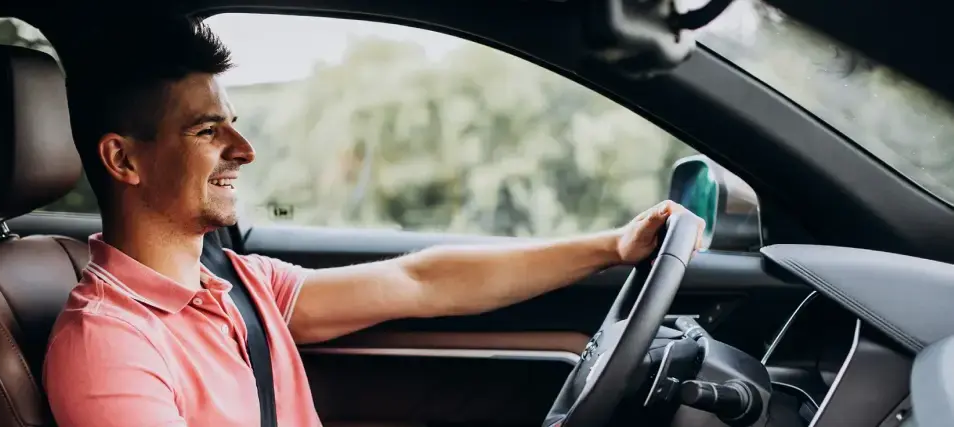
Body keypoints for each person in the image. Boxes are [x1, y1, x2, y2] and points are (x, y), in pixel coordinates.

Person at [42, 16, 705, 427]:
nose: (244, 151)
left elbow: (422, 281)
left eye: (235, 127)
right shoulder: (109, 344)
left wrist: (613, 245)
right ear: (122, 159)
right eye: (209, 132)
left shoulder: (237, 284)